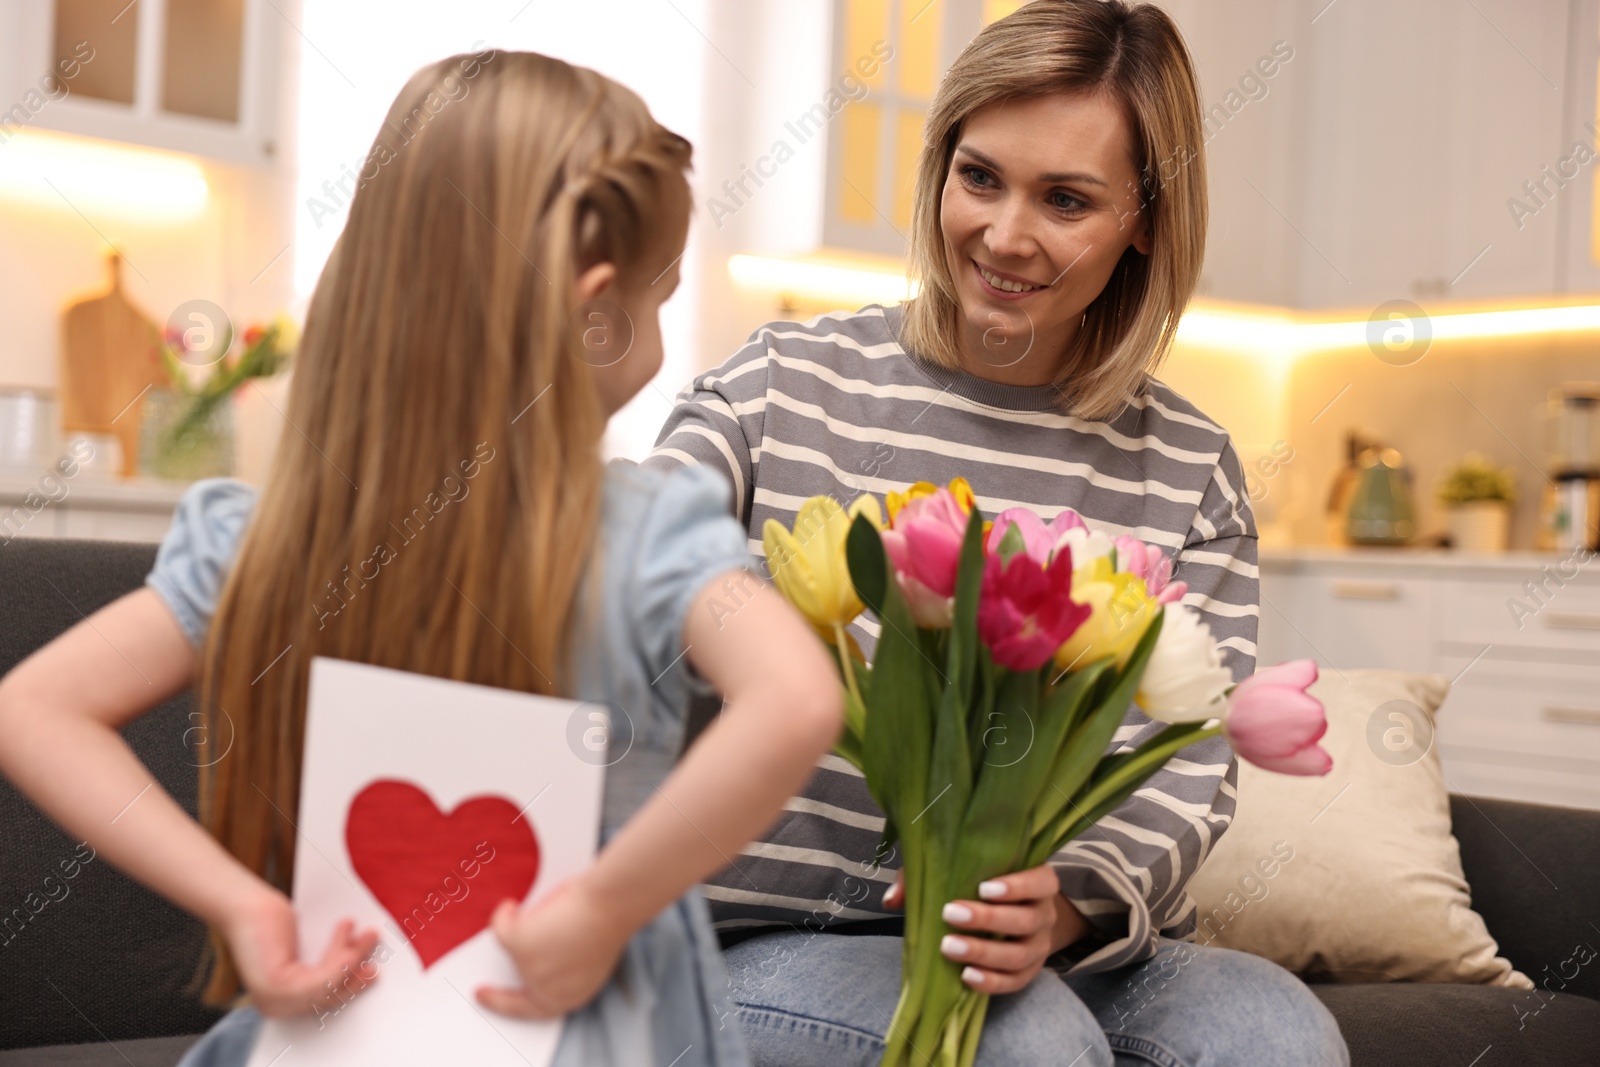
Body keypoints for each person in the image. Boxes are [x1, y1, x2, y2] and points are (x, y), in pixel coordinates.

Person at [0, 52, 841, 1067]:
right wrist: (602, 909)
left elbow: (32, 707)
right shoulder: (653, 531)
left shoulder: (270, 539)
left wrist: (247, 907)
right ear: (590, 307)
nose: (658, 343)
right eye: (657, 302)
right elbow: (796, 700)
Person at [648, 2, 1349, 1064]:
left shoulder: (1191, 467)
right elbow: (625, 556)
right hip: (782, 931)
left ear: (1145, 220)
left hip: (1070, 944)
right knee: (1024, 1042)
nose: (1004, 234)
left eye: (1066, 199)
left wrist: (1065, 902)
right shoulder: (778, 386)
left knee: (1275, 1032)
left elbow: (1185, 766)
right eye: (979, 177)